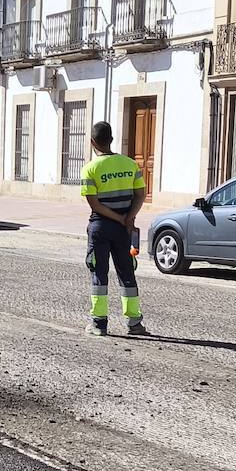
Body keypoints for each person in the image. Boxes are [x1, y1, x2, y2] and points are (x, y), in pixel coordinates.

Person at [80, 121, 149, 337]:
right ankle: (134, 323)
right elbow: (140, 195)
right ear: (111, 140)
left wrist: (119, 218)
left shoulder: (90, 168)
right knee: (127, 274)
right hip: (124, 230)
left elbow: (95, 204)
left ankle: (99, 325)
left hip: (100, 226)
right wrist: (129, 217)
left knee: (99, 274)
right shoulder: (130, 164)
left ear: (92, 143)